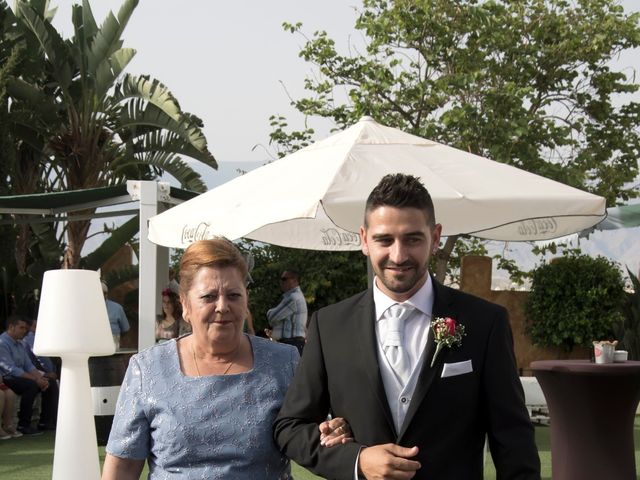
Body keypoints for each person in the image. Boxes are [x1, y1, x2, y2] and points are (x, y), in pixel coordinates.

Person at [274, 173, 540, 479]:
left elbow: (513, 441)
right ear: (364, 239)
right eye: (384, 239)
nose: (398, 256)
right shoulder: (329, 325)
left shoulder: (485, 322)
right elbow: (290, 428)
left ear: (436, 237)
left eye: (412, 239)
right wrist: (356, 460)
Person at [102, 238, 351, 479]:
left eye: (233, 295)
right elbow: (122, 468)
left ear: (246, 300)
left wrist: (330, 430)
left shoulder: (283, 362)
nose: (222, 306)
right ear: (185, 304)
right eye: (209, 297)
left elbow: (310, 432)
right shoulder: (147, 370)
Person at [0, 314, 59, 436]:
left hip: (20, 376)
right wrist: (35, 379)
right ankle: (23, 424)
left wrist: (40, 378)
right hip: (7, 378)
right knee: (31, 385)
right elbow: (10, 369)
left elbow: (29, 366)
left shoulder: (20, 343)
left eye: (25, 328)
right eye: (21, 328)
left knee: (50, 382)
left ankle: (46, 422)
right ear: (11, 327)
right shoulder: (2, 343)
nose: (25, 331)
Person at [267, 269, 308, 355]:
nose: (281, 282)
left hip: (291, 343)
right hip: (293, 343)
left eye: (284, 279)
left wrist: (269, 312)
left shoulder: (293, 298)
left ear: (294, 280)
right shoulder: (294, 296)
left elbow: (272, 317)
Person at [102, 282, 130, 350]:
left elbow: (125, 329)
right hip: (92, 350)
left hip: (112, 350)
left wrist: (116, 337)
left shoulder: (117, 308)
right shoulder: (88, 308)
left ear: (105, 294)